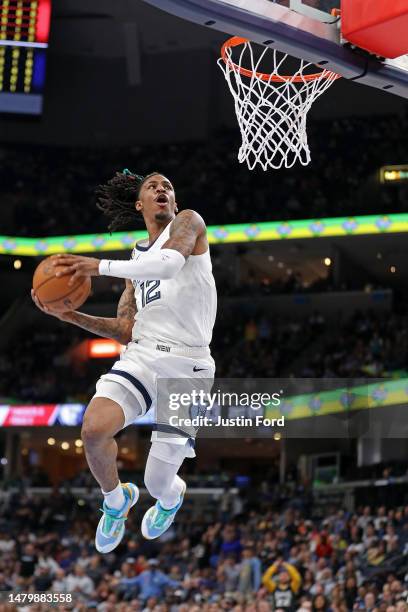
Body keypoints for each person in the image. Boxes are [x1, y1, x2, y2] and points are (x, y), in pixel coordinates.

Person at [32, 171, 217, 553]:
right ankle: (116, 501)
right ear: (140, 205)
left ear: (176, 201)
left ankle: (171, 496)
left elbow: (167, 265)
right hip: (144, 356)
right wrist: (69, 316)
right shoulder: (136, 260)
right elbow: (125, 329)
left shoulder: (189, 224)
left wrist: (97, 266)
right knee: (93, 431)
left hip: (189, 368)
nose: (161, 190)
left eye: (168, 185)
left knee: (157, 482)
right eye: (152, 187)